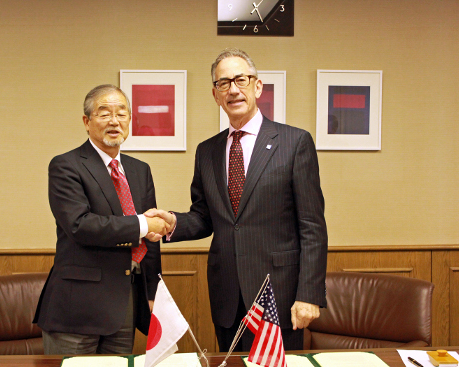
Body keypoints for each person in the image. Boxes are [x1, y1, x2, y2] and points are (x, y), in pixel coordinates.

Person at [145, 48, 328, 351]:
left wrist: (308, 294)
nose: (233, 89)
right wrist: (173, 223)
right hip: (227, 296)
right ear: (215, 95)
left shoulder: (295, 143)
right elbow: (205, 216)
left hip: (279, 296)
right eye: (223, 83)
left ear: (257, 87)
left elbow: (312, 226)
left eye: (240, 80)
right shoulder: (207, 151)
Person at [33, 84, 169, 355]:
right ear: (87, 122)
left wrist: (152, 292)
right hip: (77, 308)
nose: (114, 121)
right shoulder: (66, 165)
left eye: (122, 113)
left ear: (129, 120)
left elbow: (151, 241)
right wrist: (143, 224)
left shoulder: (140, 170)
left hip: (125, 304)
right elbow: (80, 225)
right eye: (104, 113)